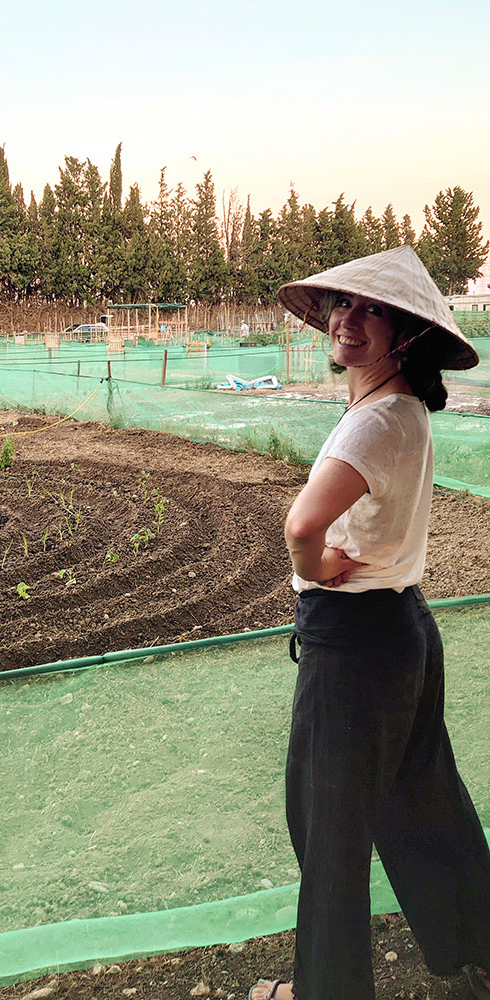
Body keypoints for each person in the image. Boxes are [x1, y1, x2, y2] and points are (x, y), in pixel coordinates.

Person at [248, 246, 490, 1000]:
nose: (350, 320)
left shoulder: (370, 423)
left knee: (328, 833)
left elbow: (300, 525)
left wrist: (313, 566)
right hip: (403, 629)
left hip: (353, 644)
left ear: (405, 336)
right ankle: (477, 949)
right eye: (344, 306)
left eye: (372, 311)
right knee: (423, 801)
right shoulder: (399, 409)